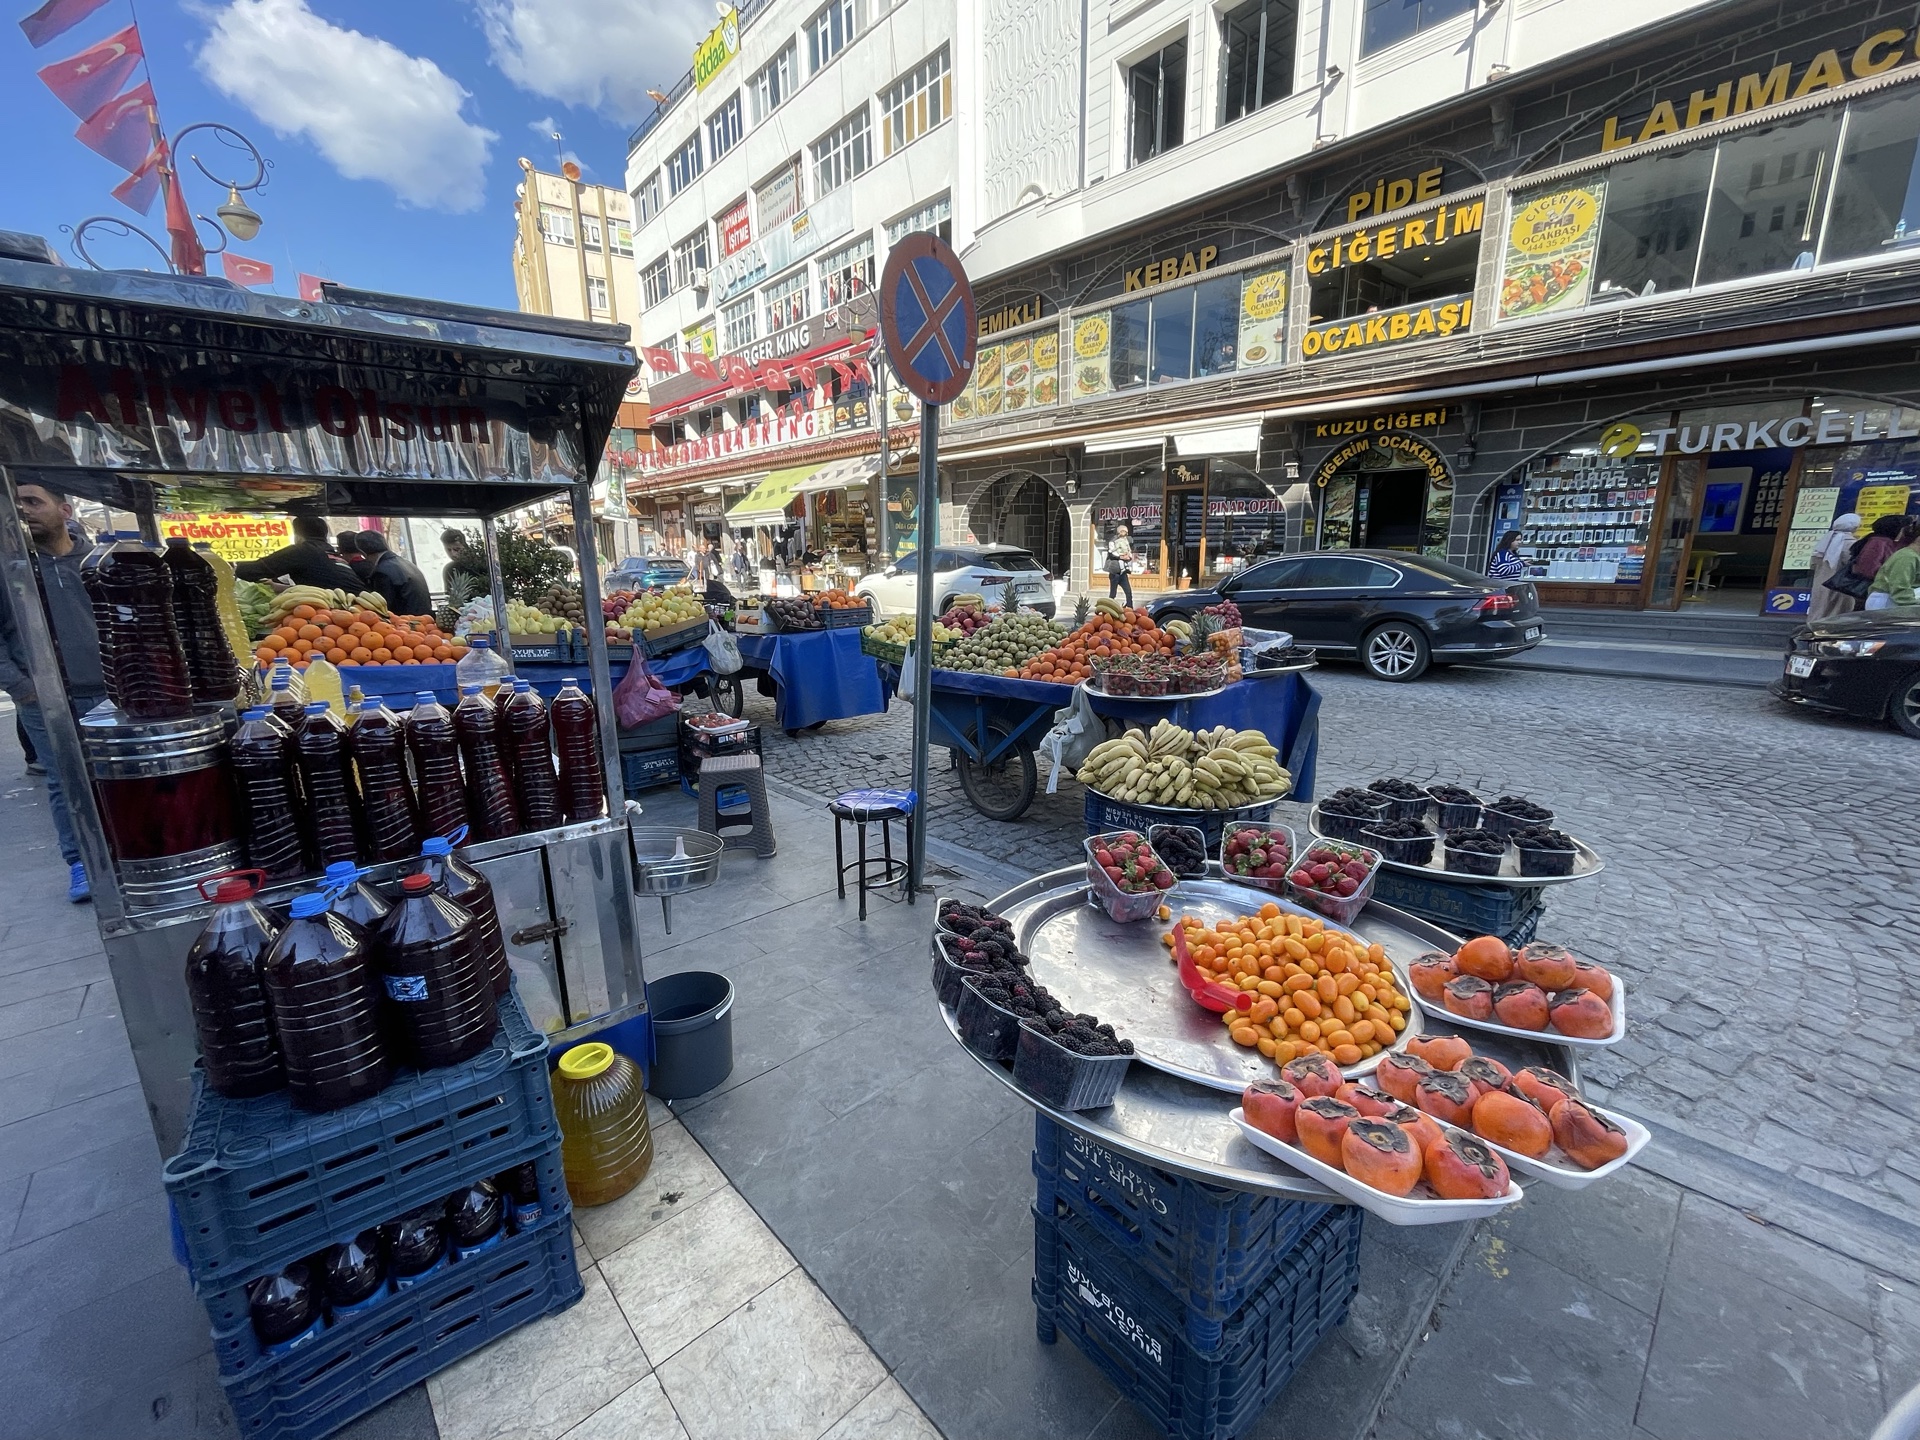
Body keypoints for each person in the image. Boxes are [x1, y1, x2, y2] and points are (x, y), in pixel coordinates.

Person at [0, 481, 106, 901]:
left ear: (64, 510)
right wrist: (21, 687)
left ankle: (121, 854)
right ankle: (80, 863)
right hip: (44, 700)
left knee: (113, 776)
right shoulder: (10, 569)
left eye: (33, 501)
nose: (25, 510)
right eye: (17, 504)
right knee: (66, 782)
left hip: (107, 692)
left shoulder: (96, 563)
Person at [233, 514, 361, 590]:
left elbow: (248, 571)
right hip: (358, 610)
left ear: (298, 536)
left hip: (338, 613)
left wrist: (235, 567)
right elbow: (321, 587)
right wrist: (279, 587)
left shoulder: (303, 551)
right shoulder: (330, 552)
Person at [356, 532, 432, 615]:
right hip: (425, 617)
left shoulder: (382, 572)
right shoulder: (407, 563)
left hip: (406, 620)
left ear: (363, 553)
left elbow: (384, 608)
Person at [1808, 512, 1863, 619]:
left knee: (1819, 611)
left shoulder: (1824, 541)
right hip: (1839, 586)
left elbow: (1813, 563)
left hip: (1820, 583)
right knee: (1836, 614)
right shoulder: (1851, 544)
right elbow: (1854, 566)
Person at [1865, 517, 1920, 610]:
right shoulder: (1907, 557)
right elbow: (1899, 589)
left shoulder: (1913, 556)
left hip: (1893, 601)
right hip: (1886, 603)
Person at [440, 528, 487, 594]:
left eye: (457, 549)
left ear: (465, 546)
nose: (453, 554)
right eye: (448, 550)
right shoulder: (449, 569)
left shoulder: (481, 564)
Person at [1105, 524, 1135, 607]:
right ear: (1119, 532)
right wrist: (1121, 557)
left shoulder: (1126, 540)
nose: (1125, 534)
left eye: (1126, 532)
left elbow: (1129, 550)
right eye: (1123, 532)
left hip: (1123, 572)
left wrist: (1129, 556)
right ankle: (1109, 607)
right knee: (1113, 593)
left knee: (1128, 592)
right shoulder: (1113, 541)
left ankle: (1129, 607)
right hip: (1115, 571)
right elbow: (1111, 554)